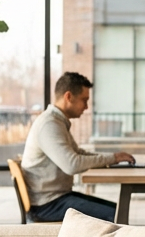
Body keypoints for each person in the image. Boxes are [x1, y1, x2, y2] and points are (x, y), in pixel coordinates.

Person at [21, 72, 135, 223]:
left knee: (119, 209)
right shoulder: (49, 125)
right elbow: (72, 164)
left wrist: (113, 158)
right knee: (115, 214)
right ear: (68, 97)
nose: (86, 107)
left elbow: (78, 153)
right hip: (47, 205)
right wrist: (113, 158)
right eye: (84, 100)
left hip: (56, 198)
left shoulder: (57, 122)